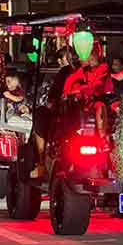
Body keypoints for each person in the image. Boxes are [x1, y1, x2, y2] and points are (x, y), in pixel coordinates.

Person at [32, 47, 77, 177]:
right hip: (73, 113)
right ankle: (43, 160)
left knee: (41, 114)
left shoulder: (70, 71)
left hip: (69, 115)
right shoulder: (68, 71)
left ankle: (42, 162)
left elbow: (54, 97)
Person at [63, 40, 111, 136]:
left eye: (82, 56)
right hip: (87, 101)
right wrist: (66, 92)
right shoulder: (83, 70)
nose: (80, 59)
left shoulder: (103, 69)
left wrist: (78, 89)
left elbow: (95, 87)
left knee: (100, 106)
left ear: (92, 56)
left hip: (102, 99)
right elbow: (70, 80)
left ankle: (103, 137)